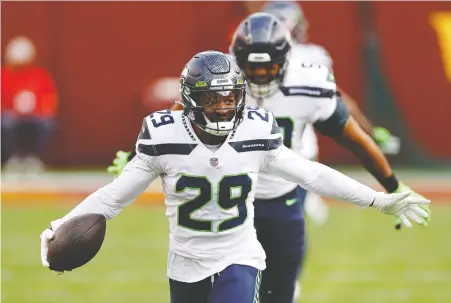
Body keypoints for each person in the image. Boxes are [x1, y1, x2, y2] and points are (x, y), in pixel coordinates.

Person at [40, 51, 429, 303]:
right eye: (213, 99)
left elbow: (311, 174)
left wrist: (379, 198)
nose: (224, 108)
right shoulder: (164, 136)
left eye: (230, 98)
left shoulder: (256, 131)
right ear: (192, 99)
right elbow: (112, 198)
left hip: (238, 256)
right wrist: (61, 226)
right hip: (184, 262)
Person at [227, 13, 429, 303]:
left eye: (268, 67)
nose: (260, 76)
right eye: (252, 68)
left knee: (280, 293)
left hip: (282, 196)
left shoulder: (307, 83)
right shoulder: (220, 79)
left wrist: (393, 184)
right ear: (237, 60)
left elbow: (356, 140)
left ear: (285, 60)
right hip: (230, 202)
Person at [261, 0, 402, 227]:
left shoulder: (244, 60)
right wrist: (369, 129)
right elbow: (337, 99)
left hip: (264, 152)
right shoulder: (312, 56)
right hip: (298, 151)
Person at [1, 36, 58, 173]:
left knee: (45, 123)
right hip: (10, 116)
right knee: (6, 123)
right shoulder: (3, 76)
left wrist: (38, 111)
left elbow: (49, 101)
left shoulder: (40, 76)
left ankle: (32, 158)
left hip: (35, 116)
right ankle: (11, 157)